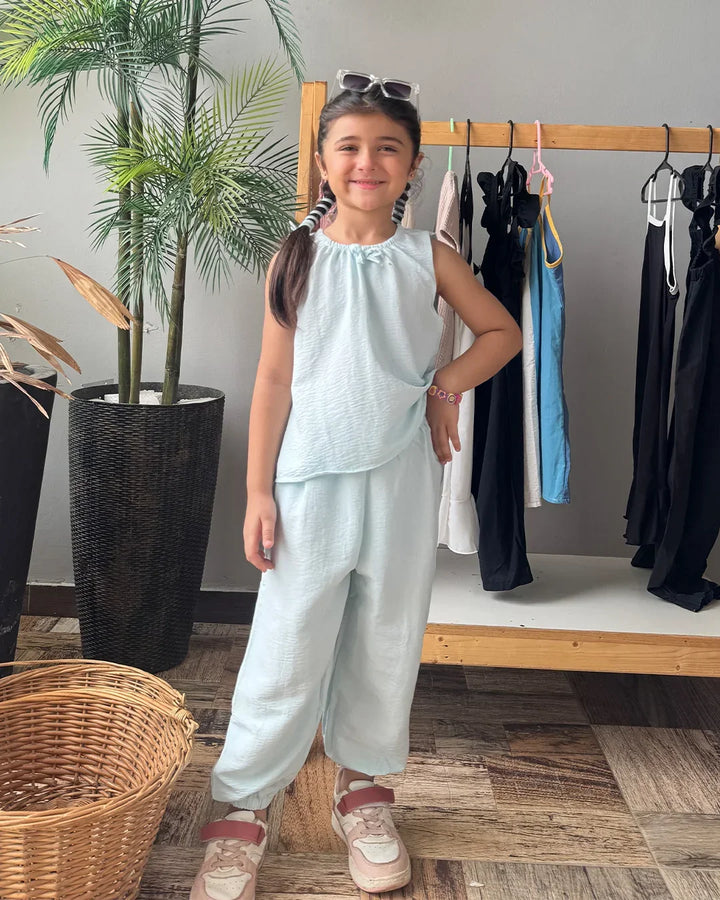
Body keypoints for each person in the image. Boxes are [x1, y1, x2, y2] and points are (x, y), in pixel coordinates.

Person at [190, 71, 522, 900]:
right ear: (322, 160)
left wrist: (445, 386)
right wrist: (256, 491)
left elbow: (501, 333)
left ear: (413, 166)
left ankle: (365, 792)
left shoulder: (430, 256)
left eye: (388, 148)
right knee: (286, 645)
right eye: (350, 146)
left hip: (402, 482)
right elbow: (272, 381)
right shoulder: (295, 256)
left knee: (386, 639)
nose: (367, 161)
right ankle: (242, 807)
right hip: (307, 486)